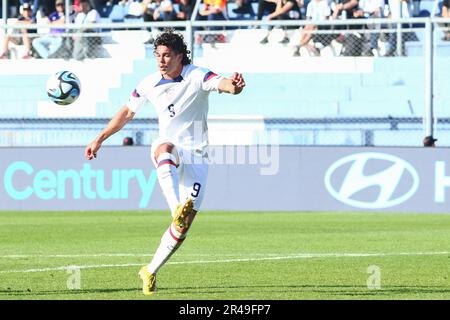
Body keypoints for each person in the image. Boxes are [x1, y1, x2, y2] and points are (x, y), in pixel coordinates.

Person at [84, 29, 246, 296]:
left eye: (167, 55)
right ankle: (175, 207)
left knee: (183, 228)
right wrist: (100, 138)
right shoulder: (148, 83)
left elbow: (224, 84)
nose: (161, 60)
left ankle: (150, 270)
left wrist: (235, 86)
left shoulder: (196, 75)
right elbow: (127, 112)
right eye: (157, 55)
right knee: (165, 148)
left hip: (197, 156)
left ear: (180, 56)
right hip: (169, 148)